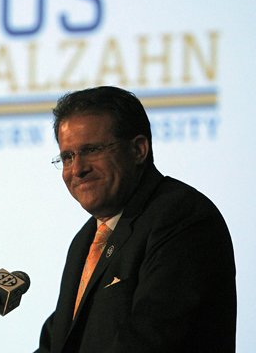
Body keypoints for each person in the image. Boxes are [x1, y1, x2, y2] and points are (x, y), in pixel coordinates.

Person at [35, 86, 236, 353]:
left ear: (138, 149)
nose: (78, 169)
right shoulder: (86, 240)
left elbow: (152, 340)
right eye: (67, 157)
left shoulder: (182, 218)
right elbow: (59, 342)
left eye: (92, 149)